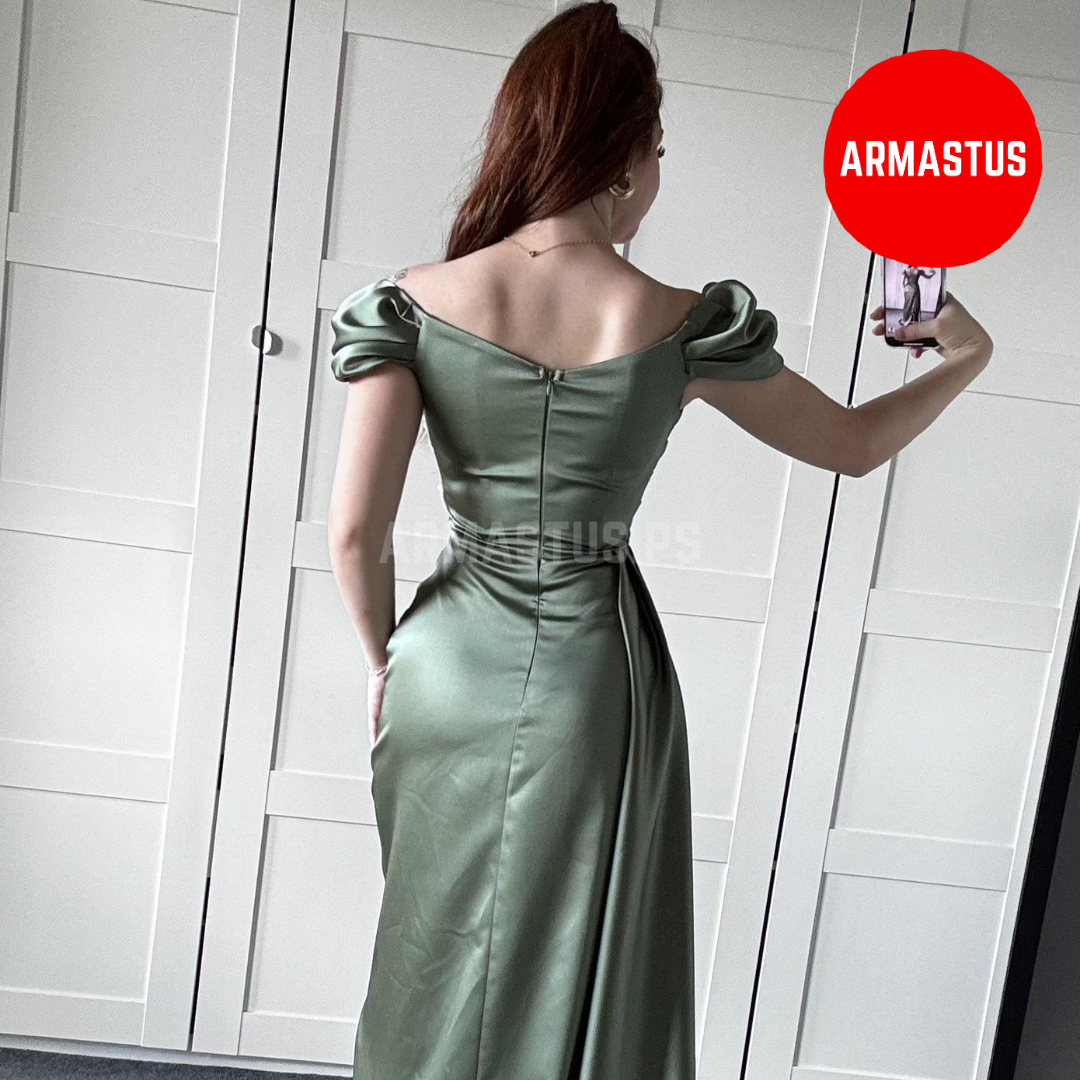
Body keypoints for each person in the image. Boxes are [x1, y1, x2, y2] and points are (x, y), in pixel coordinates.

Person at [326, 4, 994, 1078]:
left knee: (434, 946)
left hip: (442, 666)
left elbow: (356, 532)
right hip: (592, 676)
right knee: (565, 963)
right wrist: (962, 357)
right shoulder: (678, 322)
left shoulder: (413, 304)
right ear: (625, 153)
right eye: (659, 149)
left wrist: (380, 663)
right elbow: (855, 446)